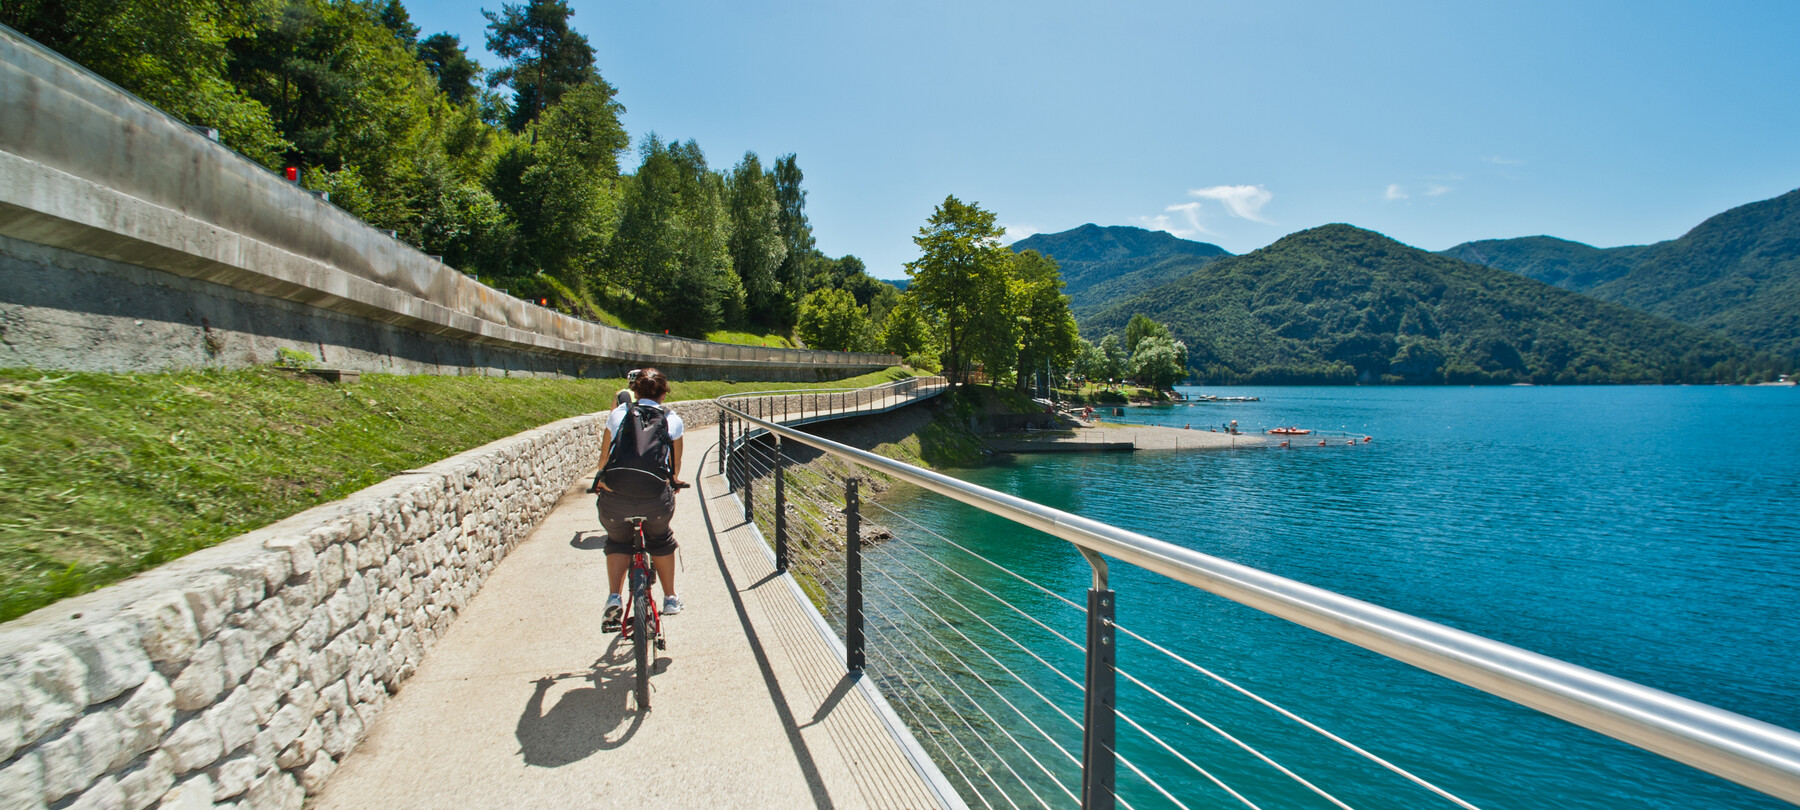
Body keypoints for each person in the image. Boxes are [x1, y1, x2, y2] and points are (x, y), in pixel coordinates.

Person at [592, 368, 687, 624]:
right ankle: (670, 599)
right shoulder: (672, 420)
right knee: (661, 539)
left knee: (617, 541)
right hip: (655, 499)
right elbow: (674, 467)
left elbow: (604, 458)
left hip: (616, 498)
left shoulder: (619, 415)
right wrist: (675, 482)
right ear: (665, 393)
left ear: (634, 391)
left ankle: (614, 597)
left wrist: (600, 481)